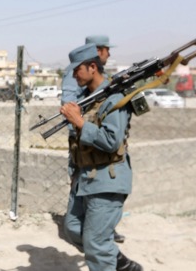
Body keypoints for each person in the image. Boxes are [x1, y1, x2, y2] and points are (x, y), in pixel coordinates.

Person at [59, 44, 142, 271]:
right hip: (84, 178)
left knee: (95, 244)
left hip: (108, 178)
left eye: (77, 70)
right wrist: (74, 173)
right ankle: (120, 263)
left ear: (92, 67)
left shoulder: (114, 98)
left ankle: (108, 261)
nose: (74, 75)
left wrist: (79, 122)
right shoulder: (87, 99)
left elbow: (110, 141)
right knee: (74, 229)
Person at [61, 35, 125, 244]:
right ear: (97, 52)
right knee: (75, 224)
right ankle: (101, 241)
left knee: (96, 234)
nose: (108, 54)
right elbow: (68, 105)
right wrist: (80, 122)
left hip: (101, 156)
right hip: (84, 142)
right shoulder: (78, 75)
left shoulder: (110, 89)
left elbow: (112, 138)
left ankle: (102, 240)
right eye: (106, 49)